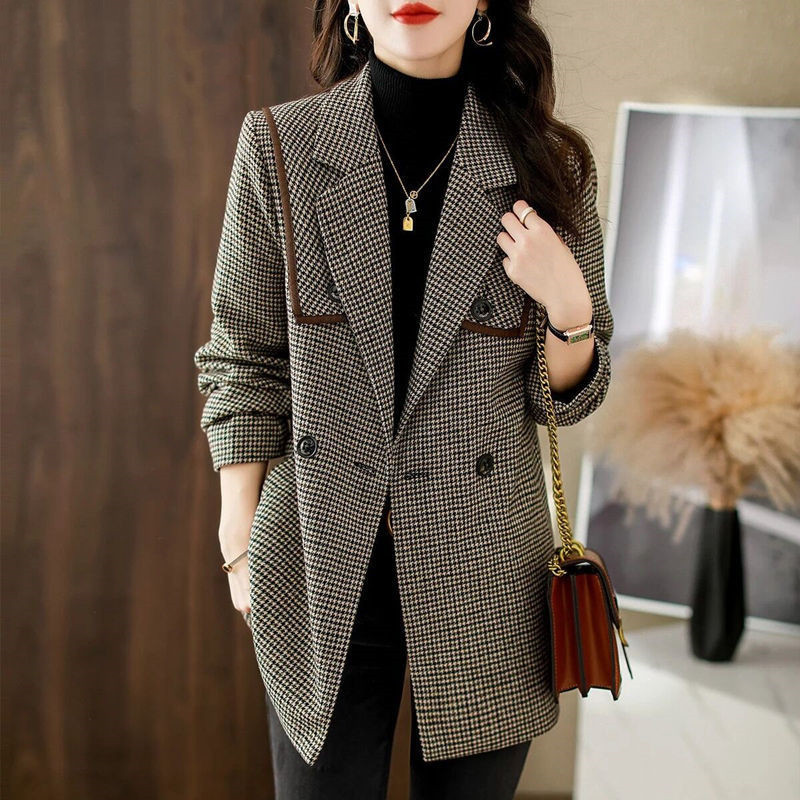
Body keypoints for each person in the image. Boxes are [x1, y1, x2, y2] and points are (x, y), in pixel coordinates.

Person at [194, 1, 614, 797]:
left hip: (485, 569)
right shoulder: (280, 145)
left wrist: (568, 305)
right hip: (320, 560)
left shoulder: (551, 164)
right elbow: (243, 356)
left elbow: (563, 401)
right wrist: (238, 539)